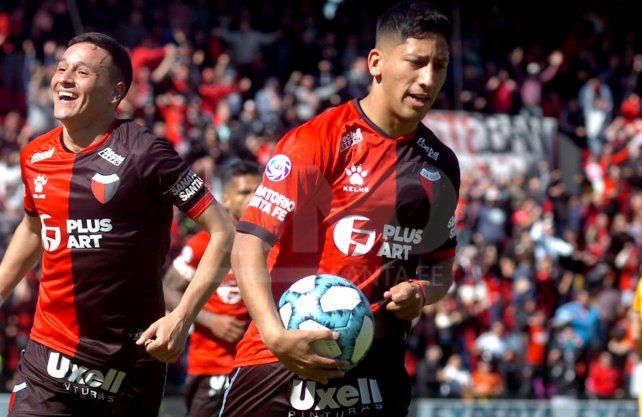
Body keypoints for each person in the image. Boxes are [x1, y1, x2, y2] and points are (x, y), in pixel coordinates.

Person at [222, 2, 459, 416]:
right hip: (282, 355)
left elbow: (441, 268)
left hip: (377, 364)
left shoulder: (440, 166)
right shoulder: (319, 140)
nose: (428, 79)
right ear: (376, 63)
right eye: (416, 63)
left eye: (439, 66)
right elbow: (247, 245)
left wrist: (421, 292)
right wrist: (276, 337)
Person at [0, 32, 234, 417]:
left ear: (115, 93)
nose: (64, 79)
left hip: (129, 365)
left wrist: (181, 318)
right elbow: (32, 228)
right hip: (48, 359)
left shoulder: (145, 153)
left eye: (82, 72)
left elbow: (224, 231)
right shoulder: (35, 156)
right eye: (61, 69)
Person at [162, 161, 260, 417]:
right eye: (244, 192)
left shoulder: (275, 244)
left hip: (258, 363)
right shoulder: (203, 244)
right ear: (225, 199)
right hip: (211, 365)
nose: (253, 198)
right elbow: (166, 289)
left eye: (258, 191)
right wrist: (210, 319)